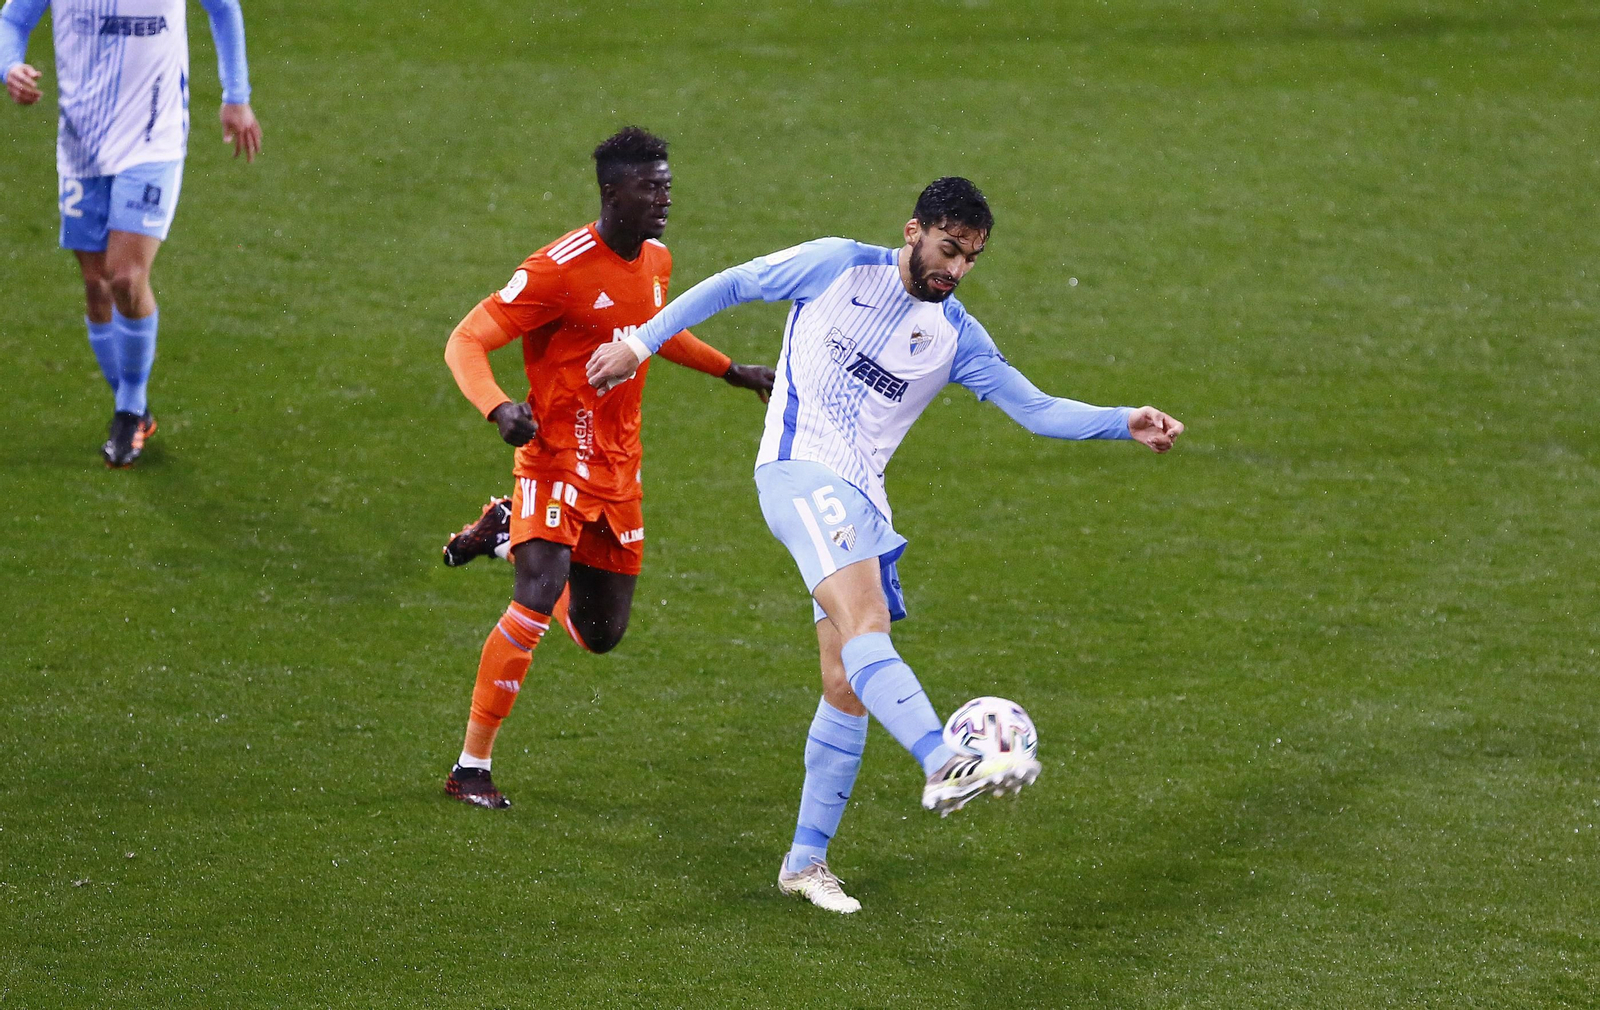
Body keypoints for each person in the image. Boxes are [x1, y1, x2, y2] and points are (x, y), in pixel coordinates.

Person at [587, 177, 1185, 913]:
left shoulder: (956, 336)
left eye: (970, 259)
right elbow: (736, 283)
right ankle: (943, 760)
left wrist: (1121, 419)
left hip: (864, 500)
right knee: (866, 626)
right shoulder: (838, 265)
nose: (956, 270)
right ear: (913, 231)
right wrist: (639, 343)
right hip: (799, 471)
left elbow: (1034, 409)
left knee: (846, 680)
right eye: (948, 250)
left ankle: (805, 864)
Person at [441, 126, 774, 810]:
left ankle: (506, 534)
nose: (663, 199)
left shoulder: (656, 261)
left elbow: (654, 329)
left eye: (667, 186)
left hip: (619, 470)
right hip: (555, 457)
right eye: (650, 187)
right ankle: (470, 767)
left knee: (601, 635)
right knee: (536, 597)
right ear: (611, 192)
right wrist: (499, 407)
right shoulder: (555, 270)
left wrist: (730, 370)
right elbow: (467, 338)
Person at [2, 0, 262, 467]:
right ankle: (137, 410)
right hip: (82, 140)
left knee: (125, 276)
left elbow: (223, 7)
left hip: (153, 135)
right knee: (96, 284)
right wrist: (9, 67)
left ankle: (127, 411)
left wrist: (236, 94)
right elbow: (12, 18)